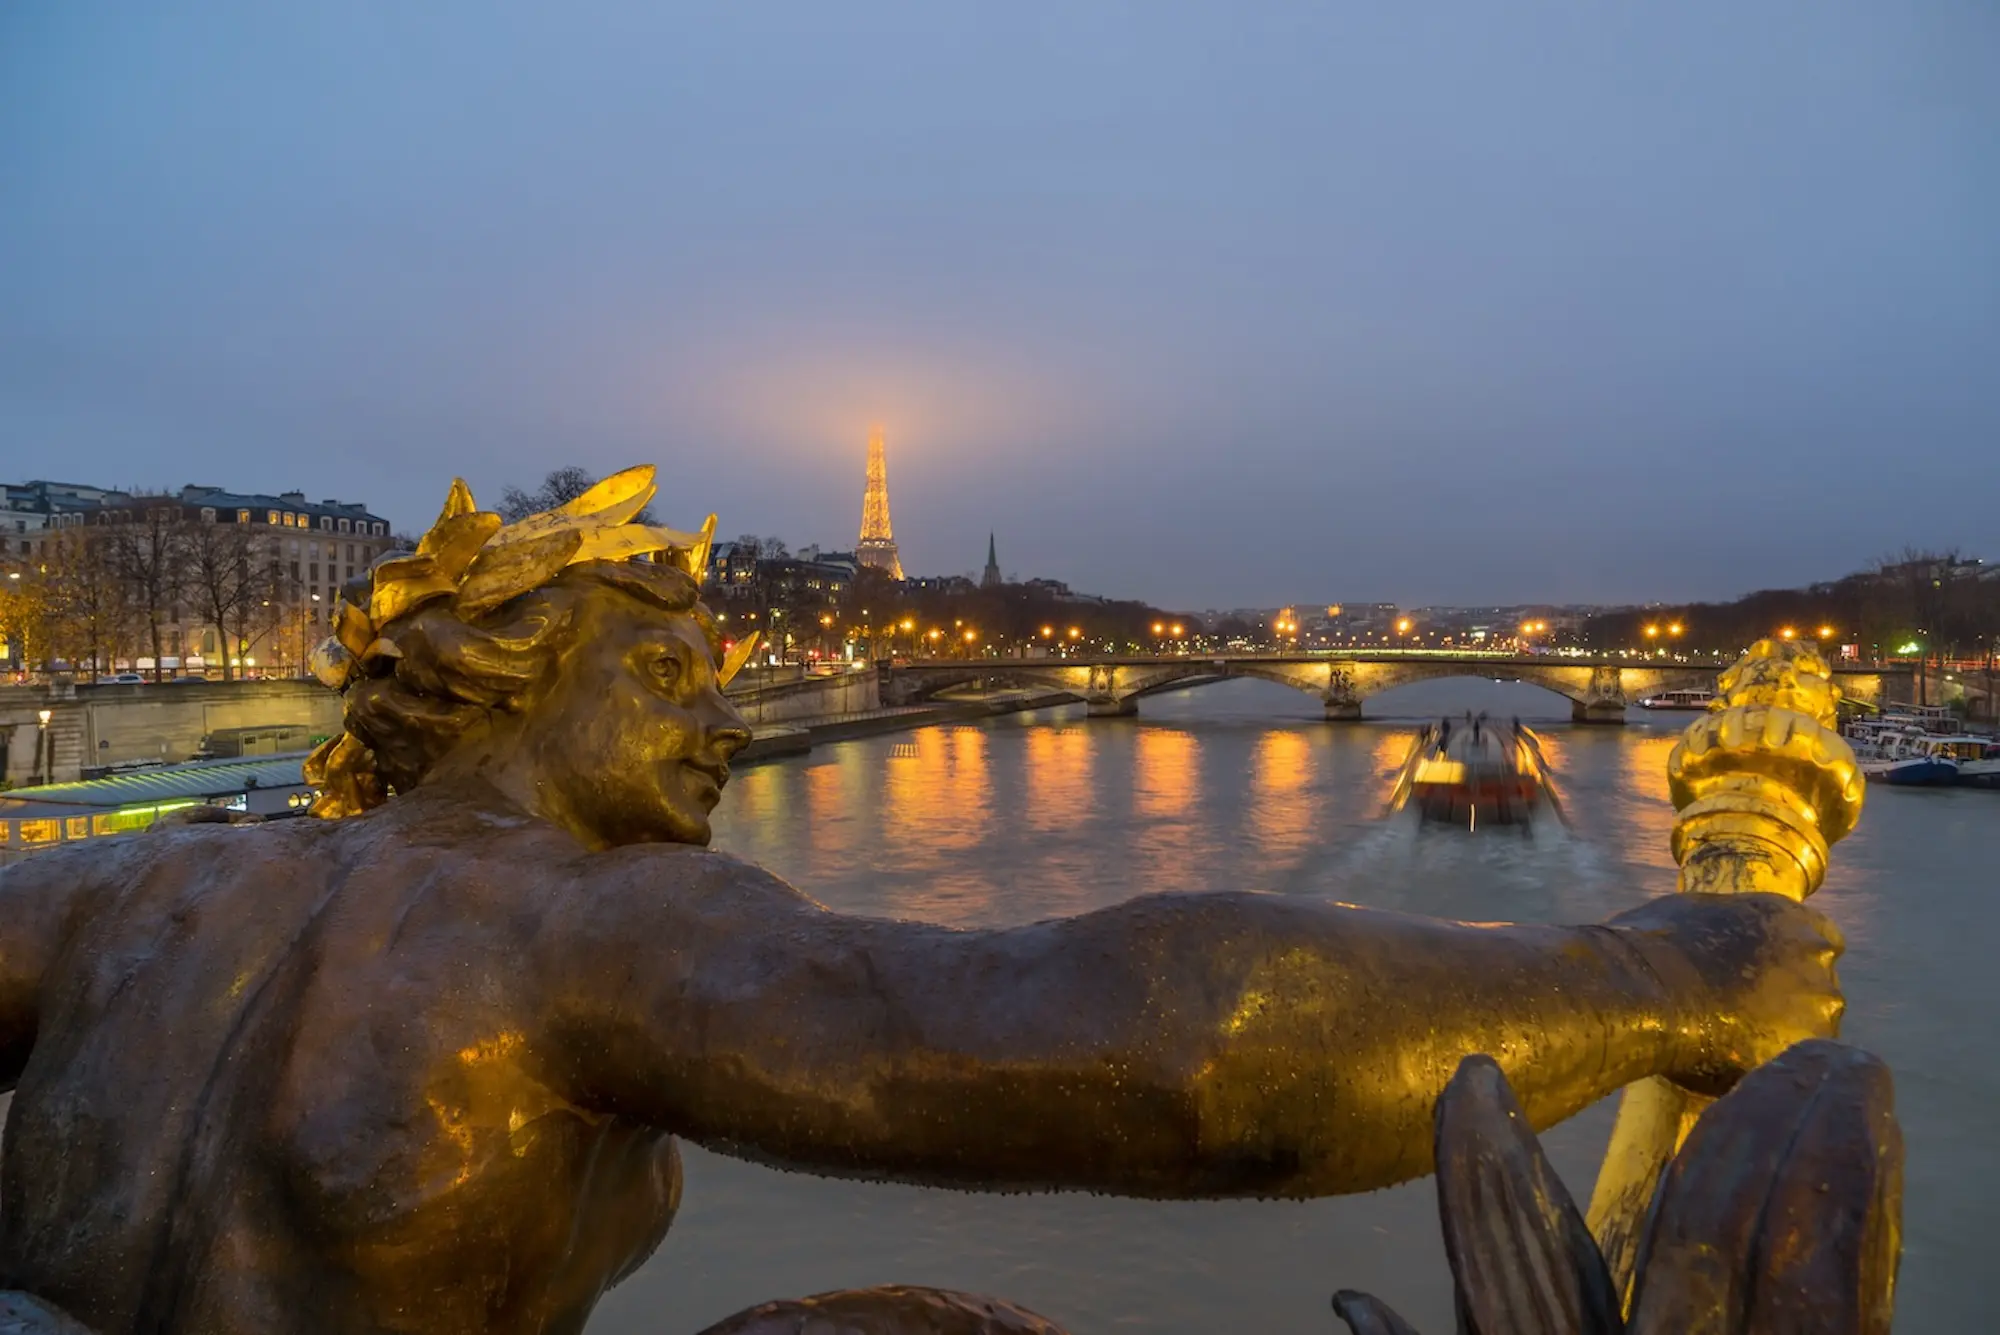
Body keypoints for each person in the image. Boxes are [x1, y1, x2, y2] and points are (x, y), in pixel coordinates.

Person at [0, 475, 1842, 1334]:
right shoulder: (579, 925)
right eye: (672, 674)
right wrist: (1641, 972)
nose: (720, 715)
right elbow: (1167, 1048)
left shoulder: (132, 890)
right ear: (514, 678)